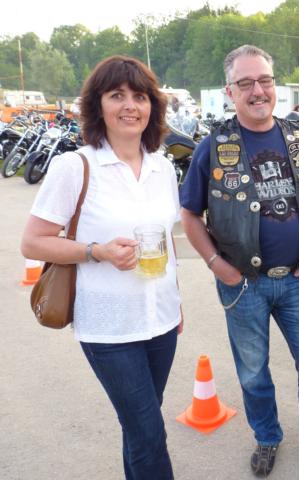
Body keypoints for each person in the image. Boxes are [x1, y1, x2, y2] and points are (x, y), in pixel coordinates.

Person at [179, 45, 299, 480]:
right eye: (246, 83)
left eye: (265, 81)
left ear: (275, 85)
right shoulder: (212, 147)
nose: (258, 90)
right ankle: (267, 437)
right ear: (229, 91)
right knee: (254, 373)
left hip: (298, 281)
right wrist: (216, 264)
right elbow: (190, 214)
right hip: (243, 285)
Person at [21, 55, 181, 479]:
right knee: (149, 433)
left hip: (162, 320)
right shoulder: (76, 166)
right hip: (109, 328)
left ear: (152, 107)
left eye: (140, 97)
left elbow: (166, 239)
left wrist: (178, 303)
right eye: (117, 95)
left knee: (140, 427)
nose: (130, 105)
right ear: (98, 105)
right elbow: (32, 242)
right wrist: (98, 251)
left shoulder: (163, 167)